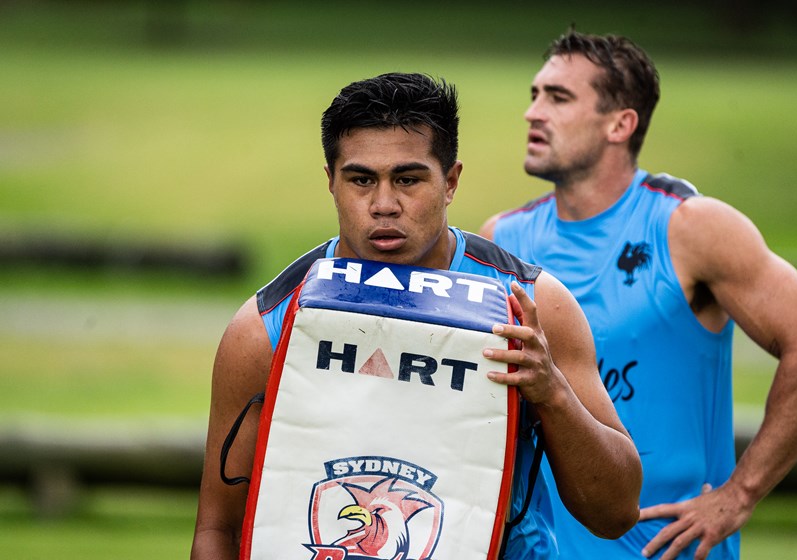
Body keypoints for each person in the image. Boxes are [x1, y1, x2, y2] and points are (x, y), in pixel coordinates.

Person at [190, 72, 642, 559]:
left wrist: (551, 391)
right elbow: (217, 530)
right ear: (330, 182)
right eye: (361, 180)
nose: (384, 205)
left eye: (408, 179)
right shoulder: (268, 327)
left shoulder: (531, 306)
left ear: (450, 182)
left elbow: (614, 513)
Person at [481, 29, 797, 560]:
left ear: (620, 124)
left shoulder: (690, 227)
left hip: (665, 550)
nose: (534, 113)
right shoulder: (501, 241)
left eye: (558, 98)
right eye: (535, 95)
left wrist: (739, 495)